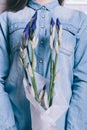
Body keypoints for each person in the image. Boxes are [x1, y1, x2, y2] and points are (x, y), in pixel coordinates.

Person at [0, 0, 87, 130]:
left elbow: (83, 81)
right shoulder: (8, 19)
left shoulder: (78, 20)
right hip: (19, 124)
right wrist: (8, 127)